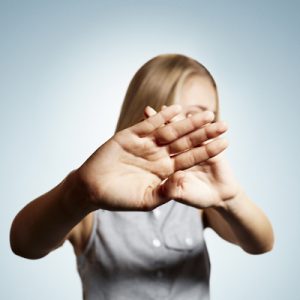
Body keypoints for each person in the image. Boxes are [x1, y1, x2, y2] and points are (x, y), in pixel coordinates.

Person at [10, 53, 274, 300]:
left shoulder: (201, 204)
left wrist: (231, 198)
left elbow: (260, 243)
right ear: (145, 111)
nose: (187, 128)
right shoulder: (92, 203)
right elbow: (24, 244)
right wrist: (78, 192)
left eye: (202, 115)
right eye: (176, 113)